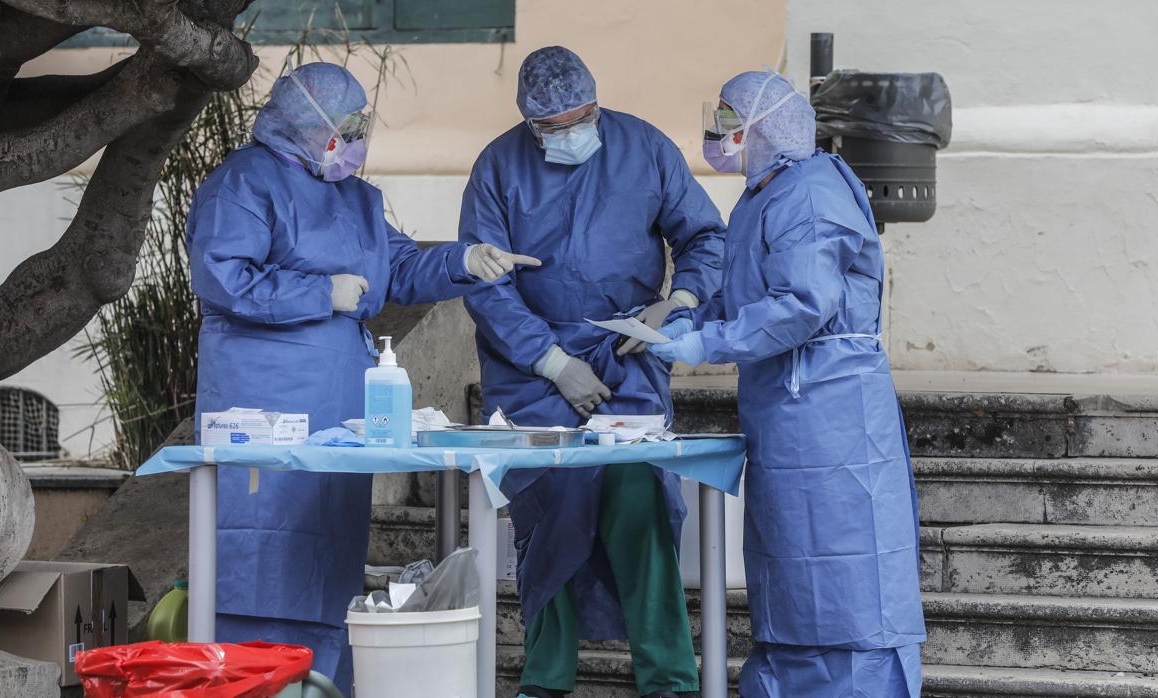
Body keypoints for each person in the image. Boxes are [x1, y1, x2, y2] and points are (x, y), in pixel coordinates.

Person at [186, 62, 539, 695]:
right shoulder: (240, 186)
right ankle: (250, 676)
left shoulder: (354, 198)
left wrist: (462, 260)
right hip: (261, 402)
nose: (355, 140)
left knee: (325, 549)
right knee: (258, 548)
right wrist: (320, 291)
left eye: (360, 127)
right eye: (344, 129)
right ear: (304, 126)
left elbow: (397, 266)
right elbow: (223, 277)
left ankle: (321, 680)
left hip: (335, 406)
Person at [459, 46, 726, 698]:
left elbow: (705, 237)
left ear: (598, 105)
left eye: (585, 117)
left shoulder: (645, 149)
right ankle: (545, 681)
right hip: (529, 365)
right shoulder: (497, 168)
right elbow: (486, 280)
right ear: (531, 123)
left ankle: (670, 680)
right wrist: (552, 362)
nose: (574, 132)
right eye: (555, 126)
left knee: (640, 497)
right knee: (550, 506)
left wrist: (680, 302)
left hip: (626, 352)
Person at [650, 70, 926, 697]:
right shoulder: (764, 194)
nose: (717, 136)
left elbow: (803, 303)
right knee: (793, 577)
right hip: (787, 411)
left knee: (848, 579)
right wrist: (690, 316)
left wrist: (707, 343)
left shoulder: (809, 193)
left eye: (728, 123)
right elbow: (749, 290)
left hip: (831, 412)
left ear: (764, 126)